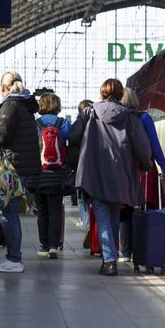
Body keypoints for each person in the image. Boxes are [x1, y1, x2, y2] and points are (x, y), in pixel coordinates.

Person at [72, 79, 151, 276]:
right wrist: (146, 165)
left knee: (103, 216)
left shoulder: (91, 114)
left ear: (101, 93)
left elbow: (72, 136)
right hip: (121, 174)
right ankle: (111, 255)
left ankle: (109, 261)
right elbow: (142, 145)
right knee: (113, 215)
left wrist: (82, 121)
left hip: (96, 172)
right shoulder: (130, 116)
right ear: (121, 93)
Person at [0, 71, 41, 273]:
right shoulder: (24, 105)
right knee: (10, 211)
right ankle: (13, 257)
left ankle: (14, 259)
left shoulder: (10, 105)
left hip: (11, 167)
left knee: (8, 212)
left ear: (3, 87)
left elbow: (1, 135)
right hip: (20, 165)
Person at [119, 87, 165, 262]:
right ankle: (146, 248)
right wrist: (163, 167)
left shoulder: (117, 118)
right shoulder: (144, 118)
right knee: (147, 209)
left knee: (125, 210)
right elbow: (154, 145)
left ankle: (125, 252)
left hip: (124, 169)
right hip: (145, 170)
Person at [34, 93, 71, 258]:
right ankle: (54, 246)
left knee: (41, 210)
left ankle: (44, 245)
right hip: (57, 173)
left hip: (38, 172)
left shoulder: (35, 124)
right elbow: (68, 142)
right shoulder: (63, 123)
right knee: (55, 210)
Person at [68, 99, 93, 233]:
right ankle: (94, 227)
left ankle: (87, 225)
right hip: (96, 166)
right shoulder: (98, 121)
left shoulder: (79, 122)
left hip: (80, 166)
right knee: (95, 199)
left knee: (82, 199)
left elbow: (72, 140)